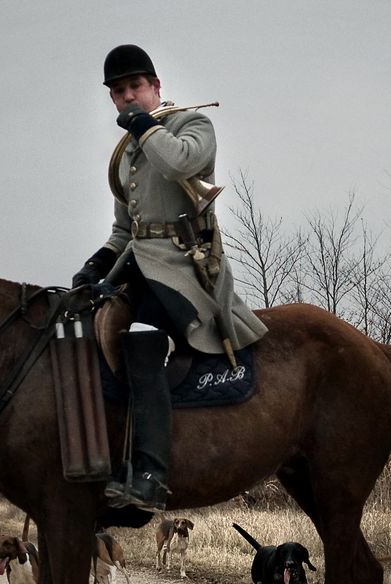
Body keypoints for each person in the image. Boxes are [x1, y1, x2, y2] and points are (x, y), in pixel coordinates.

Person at [72, 43, 268, 513]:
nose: (128, 98)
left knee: (141, 339)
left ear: (156, 86)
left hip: (185, 268)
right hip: (137, 267)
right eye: (119, 92)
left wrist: (145, 126)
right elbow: (125, 230)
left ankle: (151, 473)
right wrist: (96, 264)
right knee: (83, 332)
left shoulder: (192, 125)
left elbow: (181, 162)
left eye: (136, 87)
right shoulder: (124, 156)